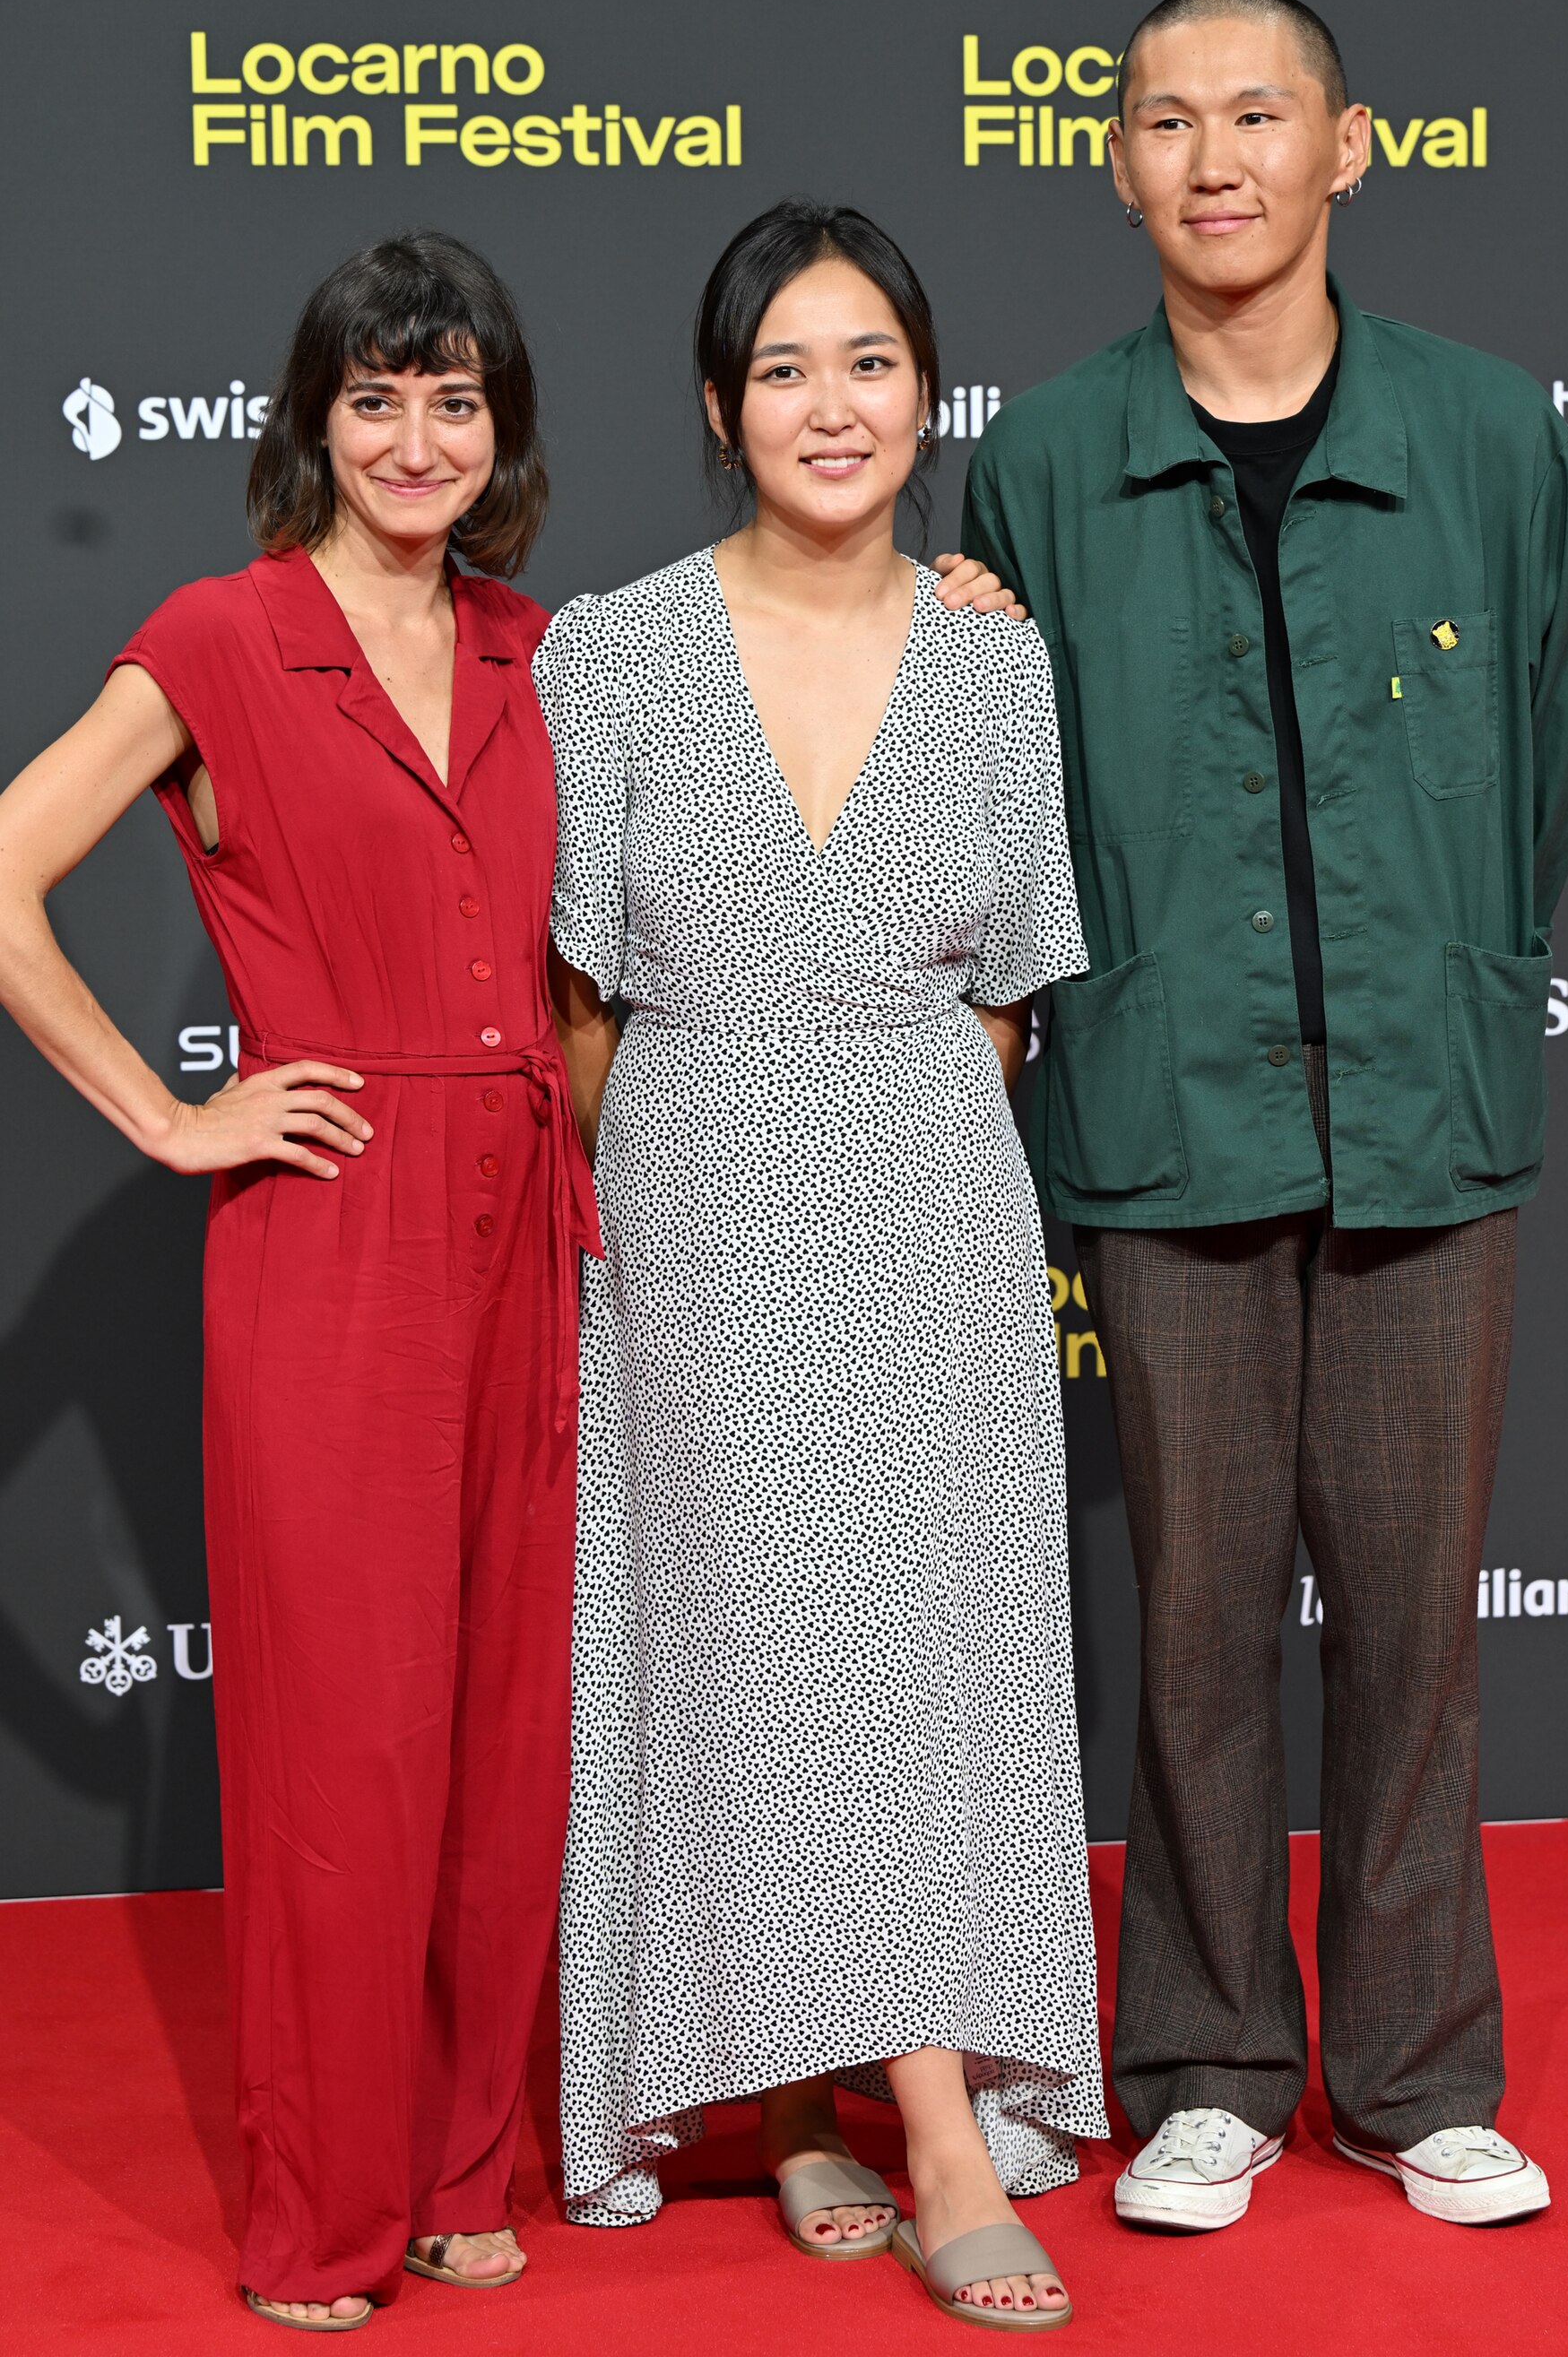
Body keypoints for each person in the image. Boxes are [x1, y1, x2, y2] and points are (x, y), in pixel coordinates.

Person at [960, 0, 1568, 2235]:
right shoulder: (1043, 458)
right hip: (1164, 1117)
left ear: (1352, 147)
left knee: (1418, 1620)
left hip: (1427, 1116)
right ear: (1116, 164)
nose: (1214, 154)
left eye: (1261, 113)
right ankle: (1213, 2062)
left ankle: (1421, 2076)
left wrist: (1451, 975)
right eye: (1167, 119)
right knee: (1202, 1615)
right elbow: (999, 798)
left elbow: (1557, 735)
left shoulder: (1496, 432)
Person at [0, 233, 597, 2330]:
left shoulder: (545, 647)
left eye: (456, 400)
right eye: (377, 400)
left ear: (501, 427)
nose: (418, 439)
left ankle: (455, 2169)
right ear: (314, 425)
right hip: (335, 1230)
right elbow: (5, 873)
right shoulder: (225, 637)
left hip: (532, 1223)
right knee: (349, 1750)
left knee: (507, 1727)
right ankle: (322, 2220)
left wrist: (952, 599)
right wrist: (174, 1120)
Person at [535, 198, 1105, 2331]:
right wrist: (685, 1189)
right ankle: (787, 2093)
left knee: (928, 1665)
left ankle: (940, 2112)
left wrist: (883, 1139)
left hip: (932, 1207)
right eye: (784, 367)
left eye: (868, 360)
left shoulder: (995, 652)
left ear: (927, 392)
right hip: (693, 1196)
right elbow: (582, 999)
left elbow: (1008, 1001)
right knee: (746, 1659)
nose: (830, 404)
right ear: (718, 406)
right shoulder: (616, 649)